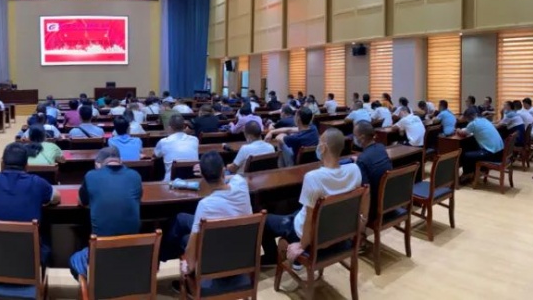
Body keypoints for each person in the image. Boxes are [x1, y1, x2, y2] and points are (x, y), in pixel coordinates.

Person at [261, 128, 363, 266]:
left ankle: (273, 257)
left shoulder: (313, 177)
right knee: (297, 211)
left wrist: (301, 246)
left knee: (265, 220)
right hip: (337, 231)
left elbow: (309, 219)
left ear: (323, 147)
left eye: (319, 142)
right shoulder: (355, 170)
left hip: (307, 234)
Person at [163, 151, 252, 290]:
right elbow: (233, 177)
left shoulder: (205, 205)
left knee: (185, 238)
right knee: (181, 218)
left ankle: (165, 260)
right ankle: (163, 255)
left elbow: (193, 242)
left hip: (217, 253)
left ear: (203, 177)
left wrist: (189, 267)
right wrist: (215, 171)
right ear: (223, 170)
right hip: (240, 249)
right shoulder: (241, 184)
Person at [0, 143, 60, 264]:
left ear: (2, 163)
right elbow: (56, 197)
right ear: (26, 165)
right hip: (28, 259)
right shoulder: (37, 183)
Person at [69, 147, 142, 279]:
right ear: (120, 161)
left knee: (74, 259)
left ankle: (97, 283)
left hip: (101, 254)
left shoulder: (91, 176)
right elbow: (138, 198)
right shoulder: (135, 176)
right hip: (132, 252)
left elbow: (82, 201)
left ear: (98, 163)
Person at [350, 121, 392, 223]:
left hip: (373, 207)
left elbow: (365, 189)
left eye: (355, 135)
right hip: (388, 199)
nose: (353, 138)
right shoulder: (381, 147)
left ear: (362, 137)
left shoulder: (362, 159)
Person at [456, 107, 505, 182]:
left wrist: (458, 130)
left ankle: (467, 175)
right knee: (473, 147)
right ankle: (476, 171)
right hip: (500, 152)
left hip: (493, 154)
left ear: (469, 116)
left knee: (466, 155)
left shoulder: (473, 123)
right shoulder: (484, 120)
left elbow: (463, 133)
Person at [154, 114, 199, 181]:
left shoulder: (163, 142)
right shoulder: (195, 139)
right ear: (184, 126)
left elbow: (156, 155)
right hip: (193, 180)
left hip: (170, 181)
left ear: (170, 127)